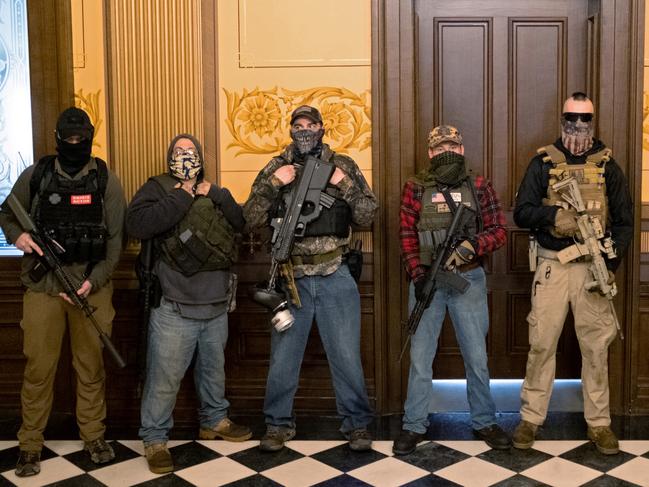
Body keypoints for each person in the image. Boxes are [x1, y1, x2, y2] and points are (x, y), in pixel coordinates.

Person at [0, 107, 125, 477]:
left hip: (91, 288)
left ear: (88, 138)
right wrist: (16, 235)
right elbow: (7, 212)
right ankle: (30, 445)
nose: (74, 145)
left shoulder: (104, 178)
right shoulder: (37, 174)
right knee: (39, 369)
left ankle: (94, 437)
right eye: (68, 139)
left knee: (90, 367)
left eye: (80, 139)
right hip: (43, 289)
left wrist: (93, 281)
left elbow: (116, 239)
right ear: (57, 139)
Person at [244, 105, 377, 452]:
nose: (304, 131)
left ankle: (357, 425)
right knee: (283, 359)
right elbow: (250, 216)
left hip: (335, 274)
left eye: (311, 125)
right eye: (297, 125)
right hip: (292, 278)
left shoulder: (342, 164)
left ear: (321, 127)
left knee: (347, 356)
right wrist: (276, 182)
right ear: (290, 130)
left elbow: (368, 213)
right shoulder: (278, 165)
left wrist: (342, 182)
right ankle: (277, 425)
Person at [513, 92, 633, 455]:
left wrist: (608, 266)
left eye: (585, 119)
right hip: (552, 266)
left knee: (596, 349)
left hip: (591, 271)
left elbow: (625, 222)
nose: (578, 125)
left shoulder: (608, 166)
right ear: (561, 118)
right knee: (541, 344)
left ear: (593, 121)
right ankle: (531, 418)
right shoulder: (543, 163)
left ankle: (599, 424)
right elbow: (522, 213)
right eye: (571, 117)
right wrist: (553, 217)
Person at [126, 134, 250, 474]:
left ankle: (214, 421)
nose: (185, 156)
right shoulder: (158, 187)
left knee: (214, 369)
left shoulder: (214, 190)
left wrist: (219, 195)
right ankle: (154, 438)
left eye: (191, 151)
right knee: (164, 377)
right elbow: (137, 224)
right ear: (169, 157)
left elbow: (241, 223)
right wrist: (181, 194)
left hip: (215, 301)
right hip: (173, 304)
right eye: (179, 151)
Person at [393, 125, 510, 455]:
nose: (447, 152)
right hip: (428, 281)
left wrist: (473, 246)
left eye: (453, 146)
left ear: (462, 149)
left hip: (467, 280)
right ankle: (414, 424)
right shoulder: (415, 188)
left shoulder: (478, 185)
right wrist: (418, 275)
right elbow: (407, 235)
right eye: (440, 148)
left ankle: (484, 420)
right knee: (419, 358)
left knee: (476, 356)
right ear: (430, 153)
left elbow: (499, 230)